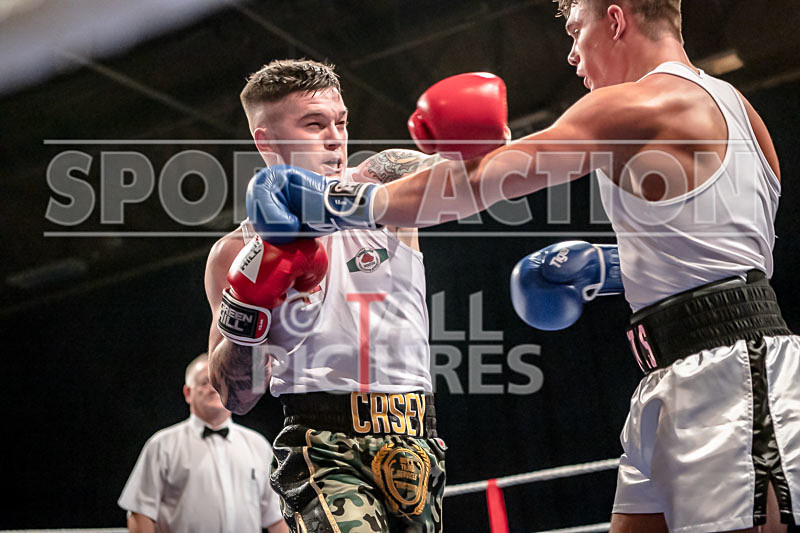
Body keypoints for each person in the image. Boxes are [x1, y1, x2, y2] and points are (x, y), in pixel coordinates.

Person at [246, 3, 800, 533]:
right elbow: (737, 251)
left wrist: (334, 203)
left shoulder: (635, 104)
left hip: (730, 380)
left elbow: (482, 184)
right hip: (682, 370)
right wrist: (609, 267)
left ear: (615, 21)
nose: (572, 54)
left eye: (575, 30)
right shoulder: (739, 110)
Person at [204, 60, 504, 532]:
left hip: (415, 436)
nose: (335, 138)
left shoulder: (383, 183)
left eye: (340, 122)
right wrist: (247, 313)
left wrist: (481, 143)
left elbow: (468, 180)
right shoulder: (235, 252)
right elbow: (233, 396)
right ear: (267, 141)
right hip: (320, 443)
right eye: (314, 125)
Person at [118, 353, 287, 533]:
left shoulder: (258, 445)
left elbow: (277, 518)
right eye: (205, 382)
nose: (214, 389)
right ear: (188, 393)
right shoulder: (162, 445)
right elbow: (140, 513)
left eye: (221, 382)